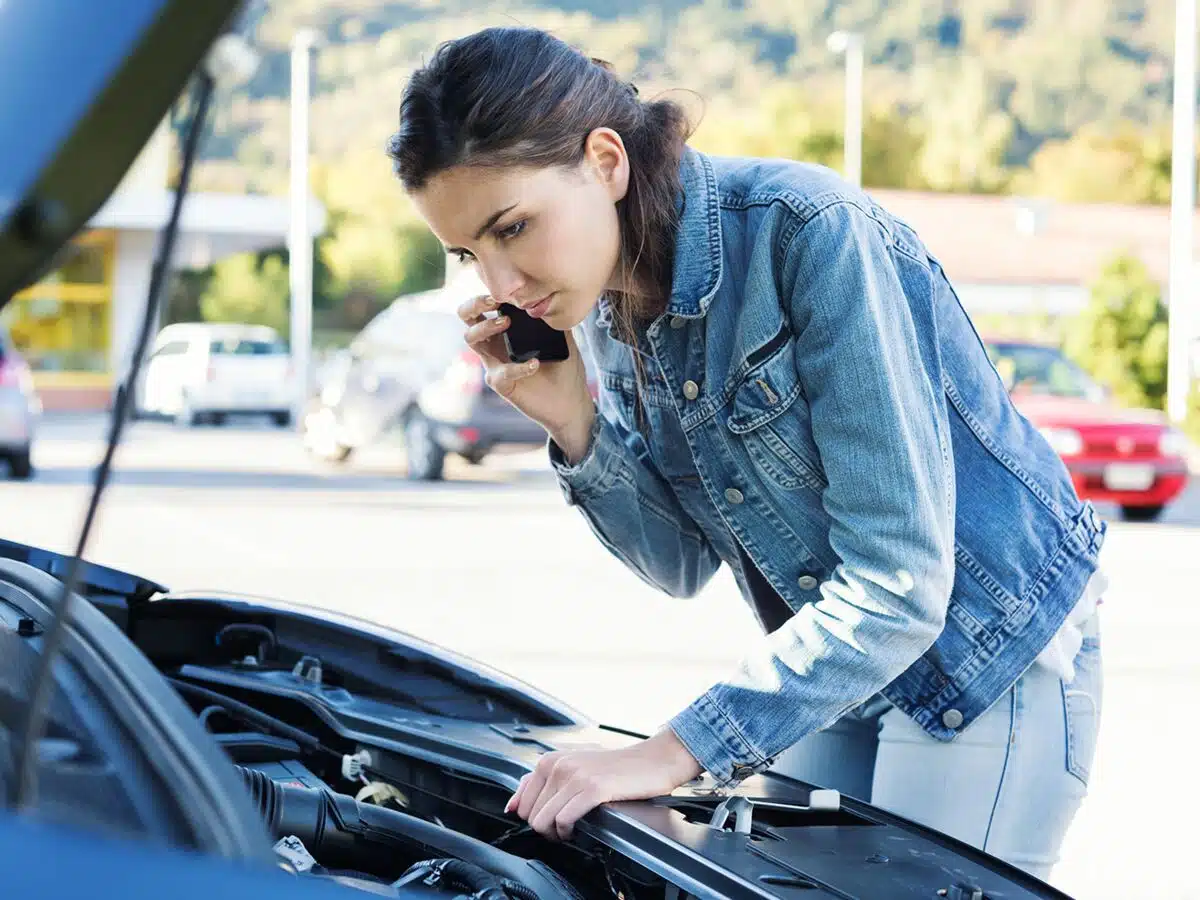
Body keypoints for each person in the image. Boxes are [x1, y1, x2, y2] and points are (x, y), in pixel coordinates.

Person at [386, 26, 1105, 881]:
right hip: (838, 657)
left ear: (606, 162)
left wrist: (674, 749)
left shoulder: (811, 234)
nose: (500, 285)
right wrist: (573, 424)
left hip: (980, 655)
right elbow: (682, 564)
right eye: (471, 252)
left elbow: (904, 582)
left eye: (514, 227)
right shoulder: (607, 307)